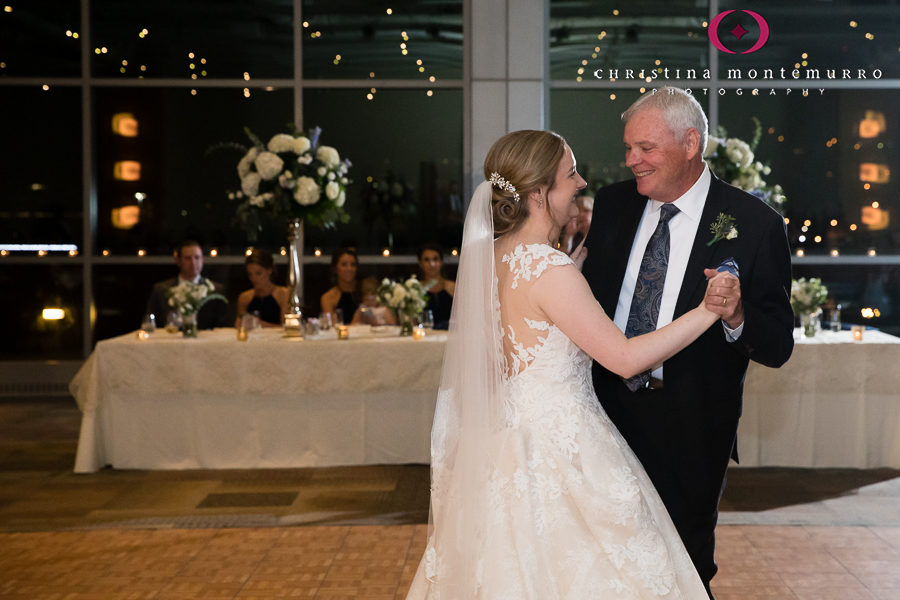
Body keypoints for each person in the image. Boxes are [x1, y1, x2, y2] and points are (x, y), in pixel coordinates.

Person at [406, 130, 732, 599]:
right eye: (570, 173)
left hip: (506, 445)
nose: (580, 183)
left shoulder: (494, 257)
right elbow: (624, 358)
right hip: (563, 453)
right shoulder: (549, 270)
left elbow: (527, 322)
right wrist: (707, 311)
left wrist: (572, 263)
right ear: (539, 193)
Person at [582, 87, 794, 597]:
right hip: (601, 414)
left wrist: (737, 313)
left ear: (690, 143)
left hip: (692, 428)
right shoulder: (612, 205)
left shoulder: (755, 225)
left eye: (646, 148)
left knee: (683, 566)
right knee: (604, 564)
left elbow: (778, 345)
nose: (632, 160)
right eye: (629, 147)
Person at [145, 240, 228, 330]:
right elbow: (150, 321)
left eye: (197, 257)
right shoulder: (161, 289)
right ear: (178, 260)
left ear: (202, 260)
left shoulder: (215, 289)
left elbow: (222, 326)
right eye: (188, 258)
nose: (193, 263)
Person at [234, 249, 288, 327]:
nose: (254, 278)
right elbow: (239, 326)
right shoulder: (244, 297)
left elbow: (286, 328)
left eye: (258, 273)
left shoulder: (283, 294)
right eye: (250, 274)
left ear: (269, 270)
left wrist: (260, 324)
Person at [417, 243, 455, 330]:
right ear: (420, 263)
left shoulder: (453, 287)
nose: (432, 264)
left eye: (435, 259)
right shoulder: (415, 289)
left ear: (441, 262)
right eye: (426, 260)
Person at [320, 247, 360, 324]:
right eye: (344, 264)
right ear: (335, 268)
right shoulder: (328, 297)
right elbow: (330, 328)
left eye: (353, 265)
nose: (349, 268)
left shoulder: (364, 291)